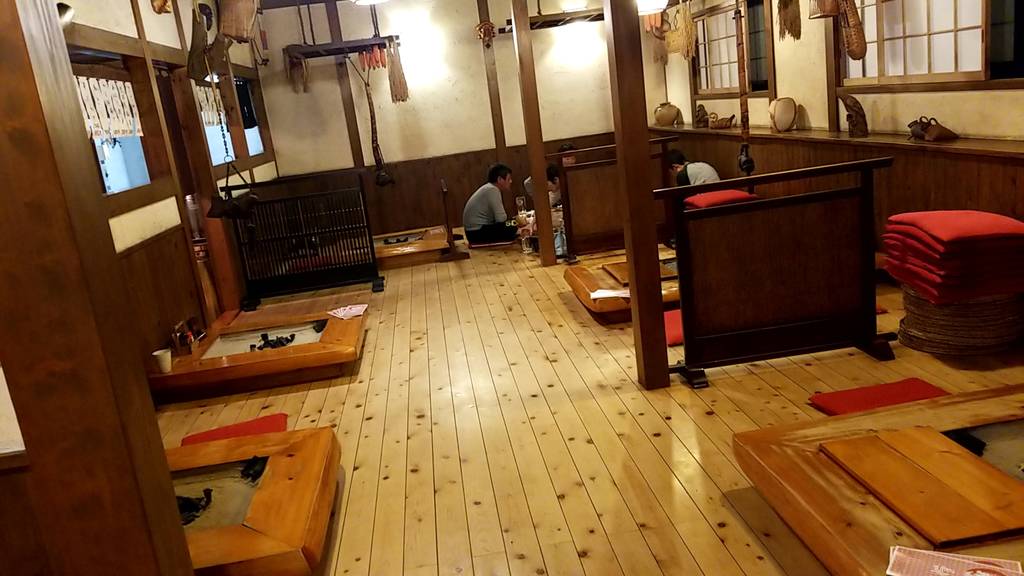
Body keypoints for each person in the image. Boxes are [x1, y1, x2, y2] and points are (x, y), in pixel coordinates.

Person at [463, 163, 521, 245]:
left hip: (474, 232)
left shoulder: (489, 188)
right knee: (512, 225)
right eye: (508, 179)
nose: (511, 181)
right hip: (477, 233)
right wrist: (515, 222)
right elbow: (501, 219)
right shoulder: (492, 190)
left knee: (513, 222)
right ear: (500, 179)